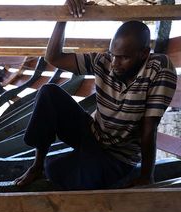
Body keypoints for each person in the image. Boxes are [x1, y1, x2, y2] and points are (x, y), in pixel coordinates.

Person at [15, 1, 178, 190]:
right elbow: (54, 58)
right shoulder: (105, 61)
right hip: (93, 134)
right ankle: (37, 166)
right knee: (49, 93)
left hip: (118, 157)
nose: (115, 63)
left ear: (144, 53)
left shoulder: (159, 69)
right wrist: (62, 19)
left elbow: (150, 128)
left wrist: (146, 176)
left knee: (57, 172)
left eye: (124, 57)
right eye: (113, 54)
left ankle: (71, 164)